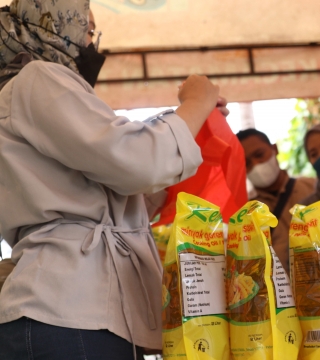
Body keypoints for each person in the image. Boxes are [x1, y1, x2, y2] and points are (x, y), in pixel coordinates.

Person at [0, 2, 225, 359]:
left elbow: (116, 190)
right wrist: (195, 102)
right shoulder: (37, 79)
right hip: (70, 310)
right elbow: (138, 163)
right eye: (87, 30)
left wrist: (188, 130)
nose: (92, 44)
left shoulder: (29, 94)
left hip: (72, 311)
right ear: (55, 26)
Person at [236, 128, 315, 274]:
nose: (256, 164)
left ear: (275, 149)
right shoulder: (244, 213)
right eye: (246, 163)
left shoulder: (313, 189)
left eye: (259, 155)